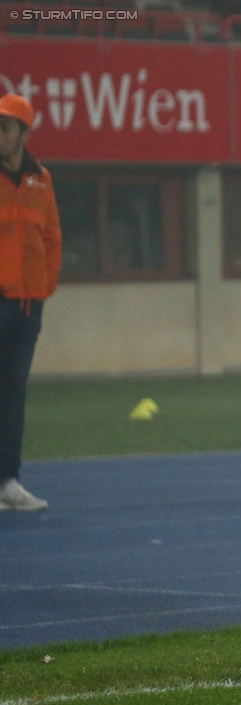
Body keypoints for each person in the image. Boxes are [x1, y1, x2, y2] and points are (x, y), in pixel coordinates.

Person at [0, 93, 61, 512]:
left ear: (23, 132)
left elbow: (52, 238)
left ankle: (8, 481)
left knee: (13, 393)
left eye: (4, 128)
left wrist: (43, 288)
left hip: (27, 304)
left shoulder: (41, 177)